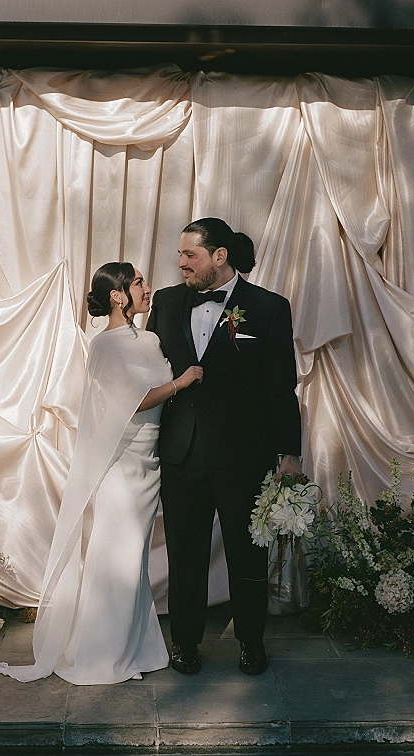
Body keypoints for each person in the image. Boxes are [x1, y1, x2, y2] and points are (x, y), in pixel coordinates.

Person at [0, 262, 202, 685]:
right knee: (119, 559)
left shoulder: (148, 339)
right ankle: (101, 655)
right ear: (118, 295)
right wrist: (182, 382)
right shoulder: (105, 345)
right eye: (141, 282)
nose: (149, 288)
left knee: (134, 560)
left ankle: (134, 648)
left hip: (149, 462)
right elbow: (135, 400)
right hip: (121, 466)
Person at [146, 217, 302, 676]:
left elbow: (280, 387)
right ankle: (186, 644)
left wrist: (289, 454)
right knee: (185, 554)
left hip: (243, 456)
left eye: (189, 255)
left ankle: (252, 642)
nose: (180, 264)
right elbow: (150, 372)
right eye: (178, 255)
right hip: (182, 454)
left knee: (247, 555)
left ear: (220, 256)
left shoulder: (269, 308)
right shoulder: (167, 303)